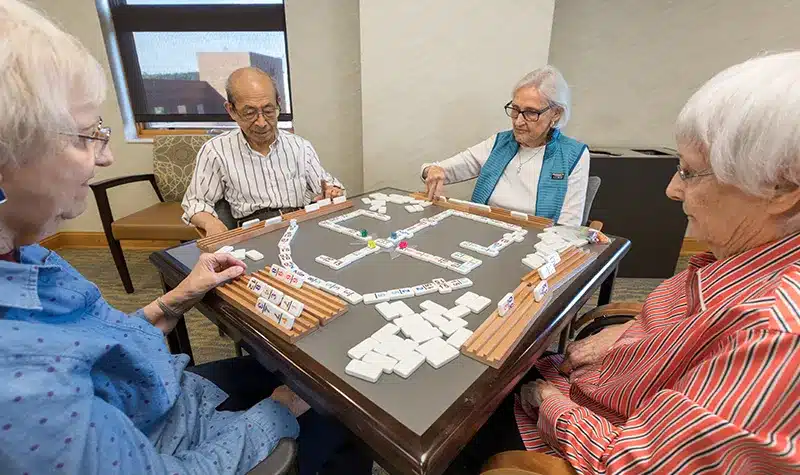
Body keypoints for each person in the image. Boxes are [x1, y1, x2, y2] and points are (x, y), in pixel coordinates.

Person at [0, 2, 371, 474]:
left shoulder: (30, 258)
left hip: (176, 389)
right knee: (345, 412)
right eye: (84, 137)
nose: (107, 155)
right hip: (187, 436)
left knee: (309, 363)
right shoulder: (21, 387)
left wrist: (173, 302)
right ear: (231, 111)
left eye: (270, 109)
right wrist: (278, 409)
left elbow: (106, 345)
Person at [446, 52, 800, 475]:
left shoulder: (776, 333)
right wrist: (628, 332)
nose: (671, 189)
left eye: (689, 173)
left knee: (452, 430)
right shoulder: (737, 259)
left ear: (780, 189)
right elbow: (685, 337)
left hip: (569, 428)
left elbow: (630, 465)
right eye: (515, 110)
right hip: (588, 379)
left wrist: (546, 401)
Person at [182, 67, 345, 236]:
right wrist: (211, 223)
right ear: (231, 110)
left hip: (299, 225)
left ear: (278, 103)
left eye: (268, 111)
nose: (261, 122)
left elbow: (328, 185)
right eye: (250, 113)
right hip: (252, 232)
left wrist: (332, 192)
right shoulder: (216, 151)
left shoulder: (300, 146)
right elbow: (194, 202)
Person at [421, 66, 589, 227]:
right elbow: (436, 169)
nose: (518, 121)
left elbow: (568, 227)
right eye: (515, 109)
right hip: (484, 231)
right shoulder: (499, 143)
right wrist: (432, 171)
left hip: (537, 244)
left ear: (556, 113)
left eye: (531, 112)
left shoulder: (573, 155)